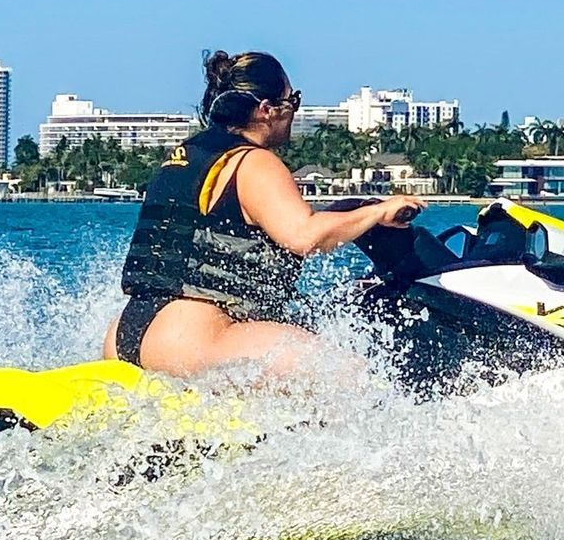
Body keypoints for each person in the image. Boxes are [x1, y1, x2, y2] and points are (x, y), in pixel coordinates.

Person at [105, 50, 425, 378]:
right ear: (267, 110)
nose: (294, 112)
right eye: (293, 100)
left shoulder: (184, 156)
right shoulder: (254, 162)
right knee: (352, 375)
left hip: (127, 334)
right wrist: (379, 211)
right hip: (190, 338)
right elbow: (304, 236)